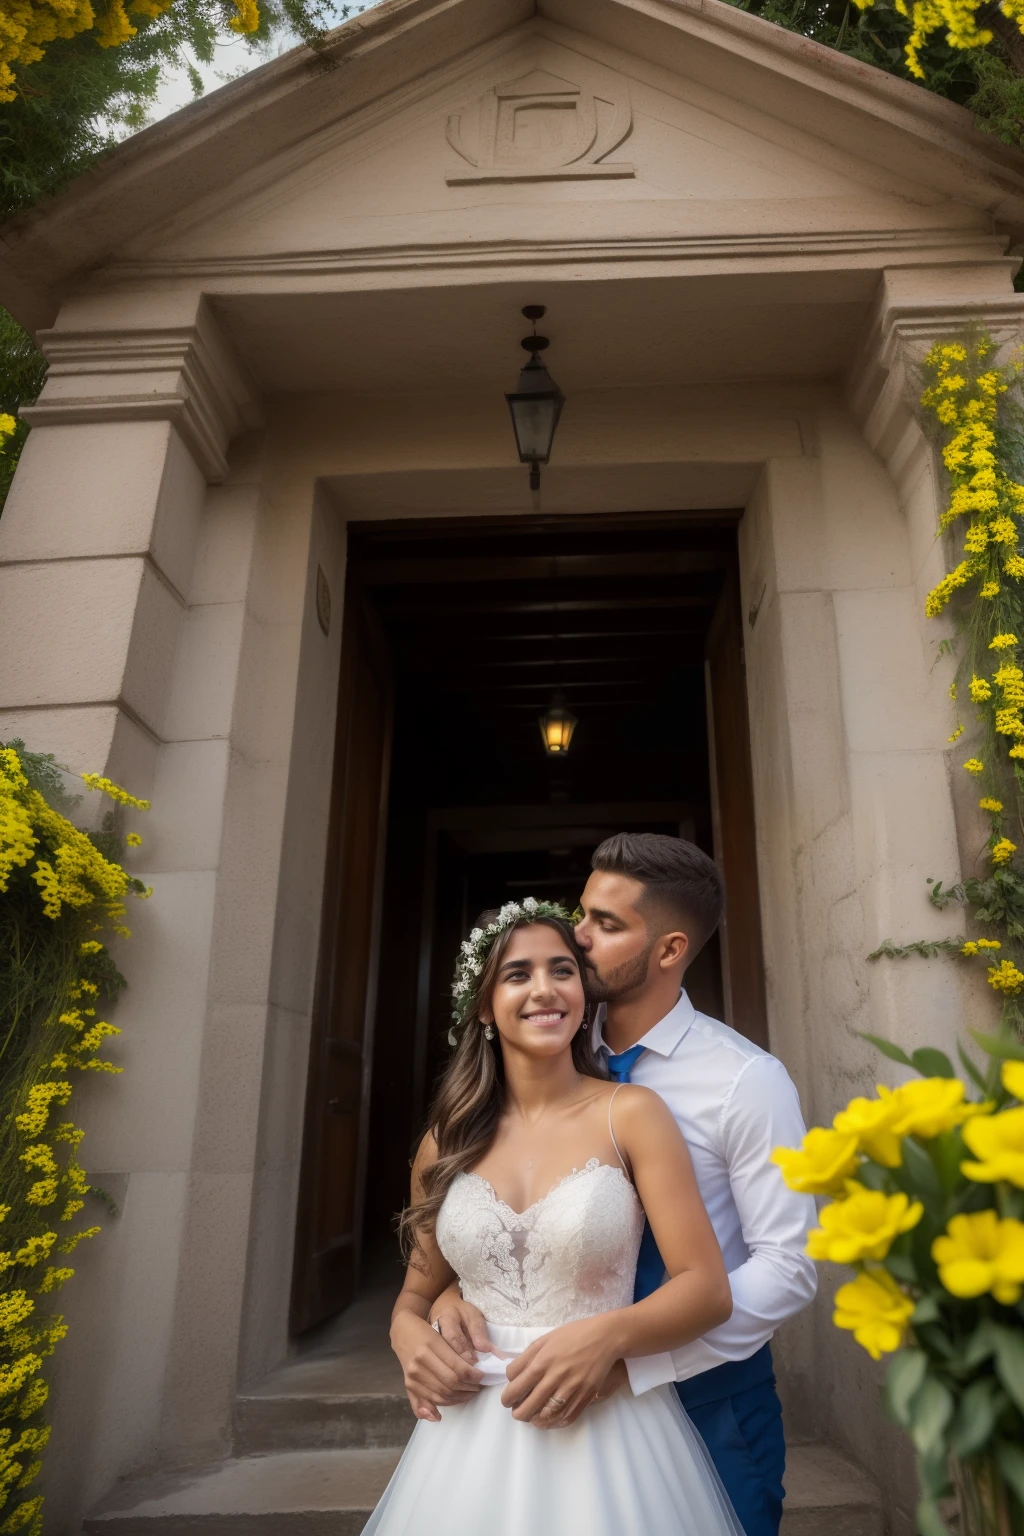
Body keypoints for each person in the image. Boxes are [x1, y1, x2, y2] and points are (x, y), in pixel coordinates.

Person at [428, 836, 817, 1536]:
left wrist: (630, 1359)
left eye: (605, 926)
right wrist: (466, 1287)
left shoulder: (744, 1081)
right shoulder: (552, 1041)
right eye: (582, 914)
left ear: (668, 951)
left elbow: (789, 1268)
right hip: (533, 1398)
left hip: (708, 1397)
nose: (577, 938)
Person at [371, 898, 744, 1536]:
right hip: (468, 1435)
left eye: (562, 970)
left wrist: (607, 1337)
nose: (544, 989)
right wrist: (407, 1333)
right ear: (485, 1006)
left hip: (604, 1428)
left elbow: (706, 1289)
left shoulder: (631, 1114)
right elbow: (417, 1293)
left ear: (583, 994)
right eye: (517, 974)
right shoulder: (446, 1140)